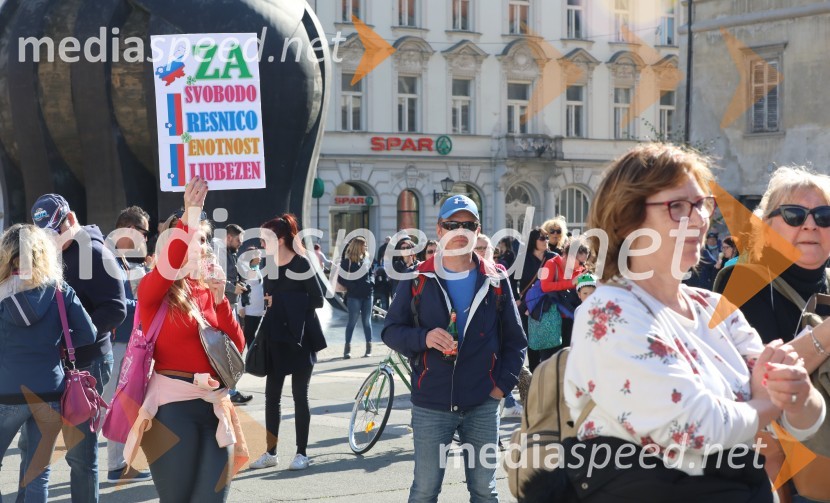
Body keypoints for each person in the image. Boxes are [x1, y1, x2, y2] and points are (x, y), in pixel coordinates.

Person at [557, 143, 825, 501]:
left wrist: (798, 394)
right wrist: (767, 404)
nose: (700, 219)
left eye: (702, 205)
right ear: (629, 219)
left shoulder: (714, 308)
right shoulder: (611, 309)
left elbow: (802, 424)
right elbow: (694, 426)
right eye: (678, 207)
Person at [382, 195, 527, 503]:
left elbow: (516, 342)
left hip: (483, 404)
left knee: (485, 492)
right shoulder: (419, 276)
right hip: (431, 402)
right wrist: (425, 338)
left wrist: (500, 389)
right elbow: (391, 330)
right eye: (452, 224)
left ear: (478, 230)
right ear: (439, 230)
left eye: (468, 224)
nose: (460, 230)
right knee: (424, 491)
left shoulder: (496, 278)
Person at [715, 166, 830, 502]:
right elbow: (760, 377)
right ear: (766, 226)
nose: (810, 224)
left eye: (824, 215)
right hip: (795, 476)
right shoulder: (744, 280)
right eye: (794, 214)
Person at [130, 177, 247, 502]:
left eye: (205, 242)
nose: (204, 248)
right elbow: (169, 266)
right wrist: (190, 215)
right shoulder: (155, 290)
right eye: (197, 240)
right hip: (171, 409)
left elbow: (236, 350)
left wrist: (222, 301)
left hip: (213, 406)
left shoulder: (208, 291)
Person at [29, 193, 127, 503]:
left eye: (55, 232)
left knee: (80, 454)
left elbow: (116, 309)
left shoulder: (95, 254)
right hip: (57, 362)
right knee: (40, 448)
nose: (51, 240)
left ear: (70, 220)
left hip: (88, 363)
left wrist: (71, 337)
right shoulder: (54, 254)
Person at [0, 224, 97, 502]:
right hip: (49, 391)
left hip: (5, 391)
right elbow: (88, 333)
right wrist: (57, 346)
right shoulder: (60, 290)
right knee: (38, 473)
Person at [248, 214, 326, 472]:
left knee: (299, 396)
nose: (261, 241)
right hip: (275, 334)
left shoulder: (302, 263)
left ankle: (302, 453)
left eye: (265, 237)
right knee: (272, 397)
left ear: (280, 239)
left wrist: (282, 302)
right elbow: (269, 295)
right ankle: (271, 452)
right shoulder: (268, 263)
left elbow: (318, 299)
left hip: (301, 336)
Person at [106, 205, 153, 483]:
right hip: (113, 343)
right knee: (110, 406)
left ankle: (116, 465)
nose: (145, 239)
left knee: (117, 405)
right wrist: (145, 302)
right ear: (132, 230)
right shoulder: (107, 257)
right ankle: (112, 466)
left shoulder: (118, 258)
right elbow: (119, 305)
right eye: (144, 233)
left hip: (120, 342)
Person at [516, 227, 556, 373]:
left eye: (547, 237)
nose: (546, 240)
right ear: (533, 241)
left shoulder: (553, 257)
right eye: (542, 238)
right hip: (529, 305)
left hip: (549, 304)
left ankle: (550, 373)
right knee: (532, 340)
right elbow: (513, 280)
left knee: (550, 337)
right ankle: (534, 375)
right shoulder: (523, 259)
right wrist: (516, 299)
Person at [539, 240, 588, 354]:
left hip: (571, 318)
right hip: (552, 318)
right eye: (580, 262)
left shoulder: (580, 270)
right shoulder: (551, 264)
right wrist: (571, 282)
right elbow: (545, 286)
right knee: (550, 356)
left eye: (584, 263)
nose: (582, 266)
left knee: (569, 356)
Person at [223, 223, 253, 405]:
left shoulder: (229, 254)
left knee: (232, 349)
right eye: (238, 242)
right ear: (228, 237)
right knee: (230, 350)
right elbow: (213, 277)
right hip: (224, 305)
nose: (239, 245)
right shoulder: (220, 254)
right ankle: (230, 391)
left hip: (230, 304)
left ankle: (230, 390)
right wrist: (234, 287)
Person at [339, 236, 375, 359]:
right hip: (354, 296)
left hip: (368, 294)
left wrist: (371, 282)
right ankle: (347, 349)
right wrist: (352, 286)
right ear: (358, 246)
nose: (366, 247)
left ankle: (369, 348)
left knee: (367, 322)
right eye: (364, 244)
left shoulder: (367, 259)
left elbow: (372, 274)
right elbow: (341, 278)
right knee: (352, 322)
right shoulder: (347, 261)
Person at [239, 247, 266, 350]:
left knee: (251, 336)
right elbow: (242, 289)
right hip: (249, 310)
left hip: (258, 310)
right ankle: (250, 360)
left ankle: (252, 360)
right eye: (258, 255)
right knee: (248, 336)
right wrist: (241, 307)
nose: (260, 258)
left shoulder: (256, 268)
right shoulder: (245, 270)